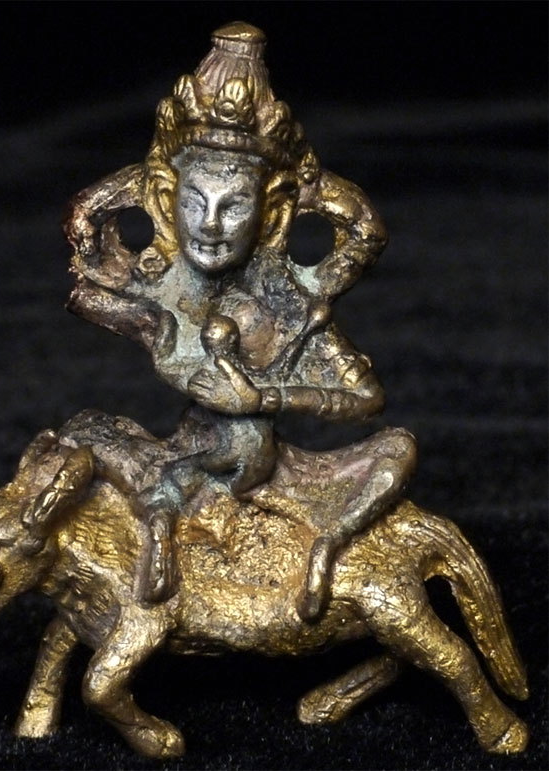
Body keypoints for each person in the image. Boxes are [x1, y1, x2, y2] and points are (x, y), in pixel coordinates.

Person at [65, 22, 416, 618]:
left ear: (270, 212)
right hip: (194, 451)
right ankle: (168, 518)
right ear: (166, 198)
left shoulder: (291, 308)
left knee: (393, 449)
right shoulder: (159, 290)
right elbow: (86, 236)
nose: (209, 225)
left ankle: (322, 544)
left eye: (234, 206)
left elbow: (366, 397)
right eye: (193, 202)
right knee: (91, 437)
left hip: (264, 458)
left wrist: (259, 398)